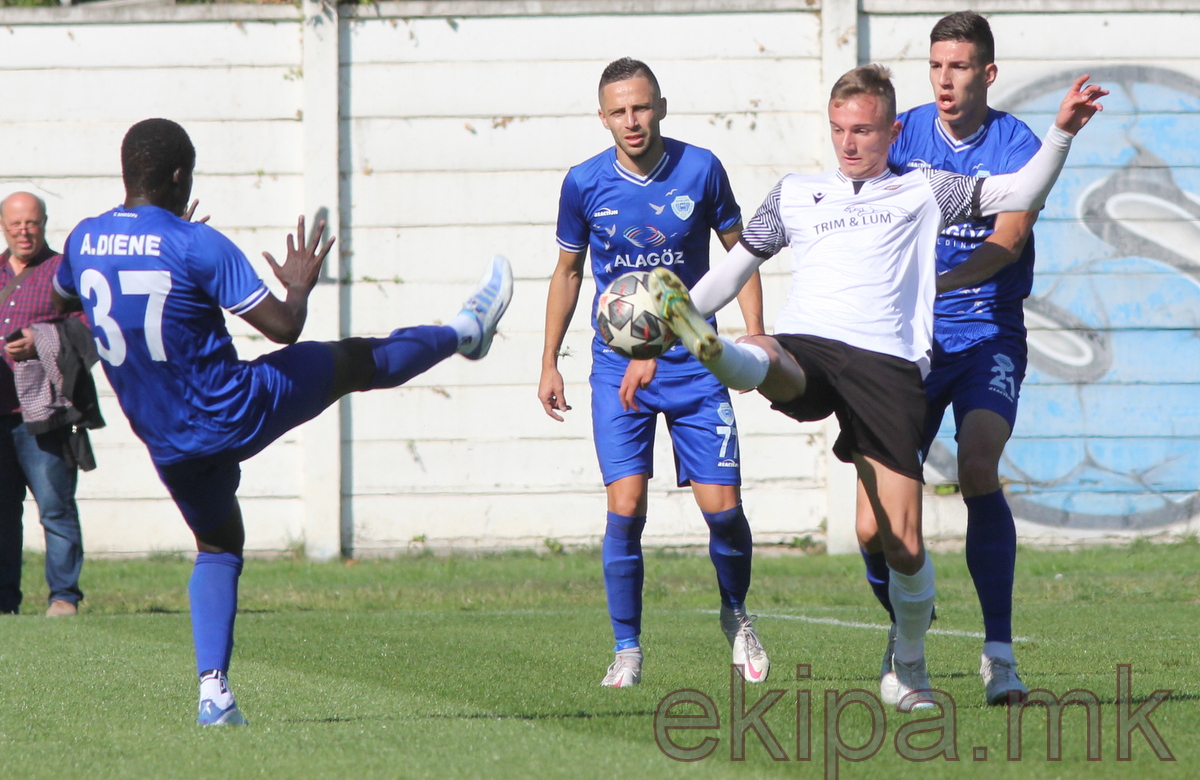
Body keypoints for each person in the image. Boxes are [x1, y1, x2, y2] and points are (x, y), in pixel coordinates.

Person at [649, 66, 1104, 711]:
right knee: (764, 348)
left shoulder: (923, 188)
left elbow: (1021, 189)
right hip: (810, 344)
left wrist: (1061, 132)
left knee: (904, 544)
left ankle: (908, 663)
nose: (848, 142)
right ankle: (718, 353)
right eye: (838, 129)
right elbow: (733, 270)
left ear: (892, 132)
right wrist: (673, 323)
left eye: (862, 130)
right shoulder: (796, 193)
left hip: (887, 367)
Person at [52, 118, 513, 725]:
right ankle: (465, 332)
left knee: (218, 547)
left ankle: (214, 694)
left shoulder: (83, 239)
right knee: (354, 361)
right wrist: (297, 286)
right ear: (180, 177)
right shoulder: (196, 245)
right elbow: (284, 328)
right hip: (235, 405)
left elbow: (62, 300)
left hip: (165, 439)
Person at [538, 58, 769, 687]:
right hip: (617, 368)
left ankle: (736, 613)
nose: (631, 120)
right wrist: (549, 360)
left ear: (660, 106)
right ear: (603, 117)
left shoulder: (701, 168)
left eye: (641, 107)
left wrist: (754, 333)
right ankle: (627, 649)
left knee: (723, 511)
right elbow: (567, 272)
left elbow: (740, 253)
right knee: (627, 504)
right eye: (618, 111)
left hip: (695, 364)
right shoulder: (584, 183)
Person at [863, 10, 1040, 707]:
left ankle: (999, 655)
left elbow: (1009, 239)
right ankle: (909, 618)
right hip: (907, 341)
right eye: (936, 65)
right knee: (872, 524)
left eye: (960, 66)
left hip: (987, 332)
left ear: (987, 73)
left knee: (978, 464)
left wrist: (939, 282)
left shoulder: (1017, 142)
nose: (945, 79)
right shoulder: (900, 132)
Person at [0, 192, 88, 617]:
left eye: (31, 223)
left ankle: (64, 597)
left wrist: (41, 340)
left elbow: (88, 331)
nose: (24, 231)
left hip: (46, 412)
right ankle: (4, 602)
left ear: (45, 223)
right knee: (2, 514)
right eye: (15, 224)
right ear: (3, 227)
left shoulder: (62, 273)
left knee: (55, 508)